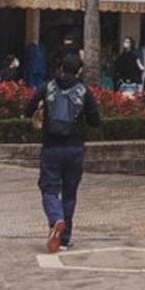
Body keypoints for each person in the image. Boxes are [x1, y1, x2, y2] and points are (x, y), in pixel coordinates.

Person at [27, 50, 99, 253]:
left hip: (51, 147)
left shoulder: (48, 86)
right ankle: (65, 238)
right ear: (79, 71)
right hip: (75, 148)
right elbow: (95, 121)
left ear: (60, 67)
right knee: (69, 192)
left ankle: (55, 219)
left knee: (49, 189)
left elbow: (28, 108)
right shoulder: (83, 91)